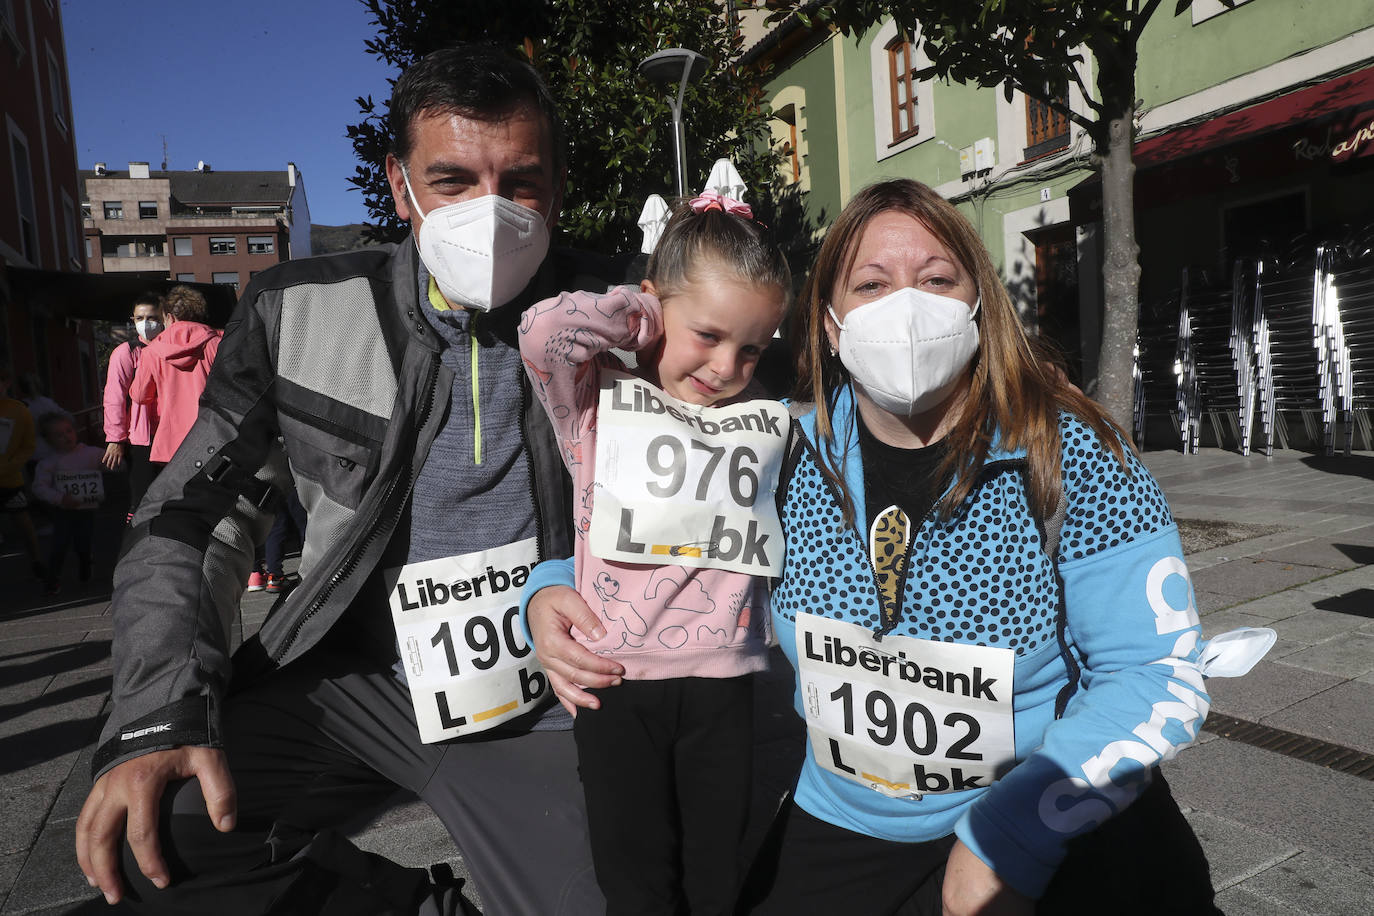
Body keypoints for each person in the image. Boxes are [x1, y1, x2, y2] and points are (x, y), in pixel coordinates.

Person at [526, 179, 1221, 915]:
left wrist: (1012, 834)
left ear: (978, 301)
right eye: (871, 283)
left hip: (1047, 825)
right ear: (828, 324)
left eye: (936, 280)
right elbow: (654, 533)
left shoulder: (1074, 455)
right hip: (846, 824)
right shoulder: (776, 449)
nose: (907, 307)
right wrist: (546, 589)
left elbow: (1156, 671)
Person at [75, 43, 624, 915]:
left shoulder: (629, 312)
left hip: (547, 705)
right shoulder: (298, 311)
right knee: (156, 836)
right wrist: (157, 714)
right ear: (400, 187)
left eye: (520, 183)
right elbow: (190, 517)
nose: (491, 213)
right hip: (356, 682)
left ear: (557, 187)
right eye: (452, 181)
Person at [517, 194, 789, 914]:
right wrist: (638, 317)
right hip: (615, 677)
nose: (728, 365)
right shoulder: (595, 404)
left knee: (715, 876)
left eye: (752, 346)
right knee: (633, 875)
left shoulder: (759, 418)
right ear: (660, 311)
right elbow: (544, 332)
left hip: (723, 682)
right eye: (706, 334)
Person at [130, 285, 221, 466]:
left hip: (172, 443)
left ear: (169, 316)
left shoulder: (152, 351)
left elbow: (140, 396)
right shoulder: (217, 344)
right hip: (213, 437)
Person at [102, 291, 163, 522]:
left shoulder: (173, 349)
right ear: (132, 321)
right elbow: (114, 397)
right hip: (142, 441)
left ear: (164, 317)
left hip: (176, 436)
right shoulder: (127, 353)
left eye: (152, 317)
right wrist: (115, 439)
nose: (146, 324)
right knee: (141, 504)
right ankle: (134, 552)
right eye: (139, 318)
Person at [32, 412, 106, 594]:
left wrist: (117, 458)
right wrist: (59, 498)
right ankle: (53, 579)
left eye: (68, 431)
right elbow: (39, 487)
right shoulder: (48, 463)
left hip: (86, 510)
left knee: (84, 542)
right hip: (63, 511)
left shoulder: (90, 453)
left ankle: (85, 563)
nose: (66, 436)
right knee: (59, 545)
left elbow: (110, 461)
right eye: (59, 435)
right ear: (48, 440)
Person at [0, 363, 43, 579]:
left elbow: (28, 446)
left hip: (10, 478)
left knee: (24, 523)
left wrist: (11, 465)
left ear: (6, 383)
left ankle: (36, 561)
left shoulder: (19, 411)